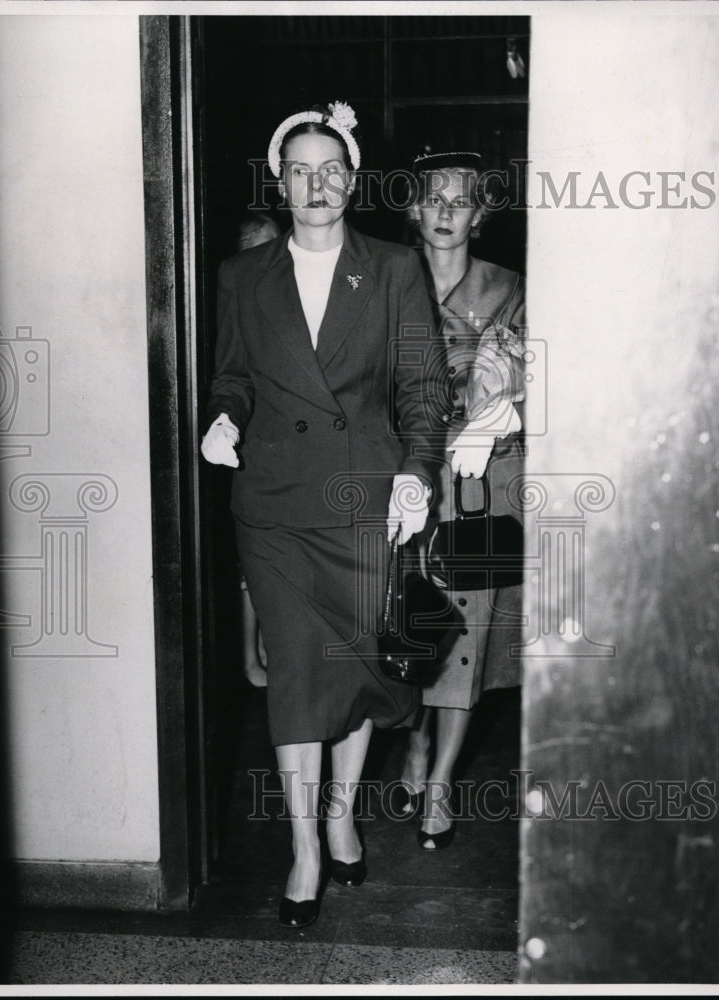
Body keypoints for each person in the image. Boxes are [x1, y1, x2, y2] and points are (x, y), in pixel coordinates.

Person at [201, 102, 437, 927]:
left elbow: (420, 388)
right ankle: (305, 845)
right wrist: (223, 414)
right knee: (299, 670)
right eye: (300, 168)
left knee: (356, 665)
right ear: (280, 179)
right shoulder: (242, 277)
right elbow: (232, 372)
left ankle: (342, 808)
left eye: (331, 168)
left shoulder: (394, 269)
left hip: (362, 502)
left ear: (352, 178)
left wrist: (416, 474)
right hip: (272, 507)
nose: (317, 183)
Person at [398, 149, 526, 850]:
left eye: (461, 201)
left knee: (465, 635)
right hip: (402, 476)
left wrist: (497, 409)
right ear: (413, 209)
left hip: (479, 482)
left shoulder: (509, 287)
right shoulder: (382, 279)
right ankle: (414, 741)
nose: (446, 211)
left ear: (479, 216)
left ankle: (441, 778)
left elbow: (525, 375)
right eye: (432, 198)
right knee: (407, 621)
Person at [232, 211, 281, 689]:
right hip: (247, 445)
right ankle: (251, 656)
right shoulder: (236, 300)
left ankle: (271, 646)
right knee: (251, 564)